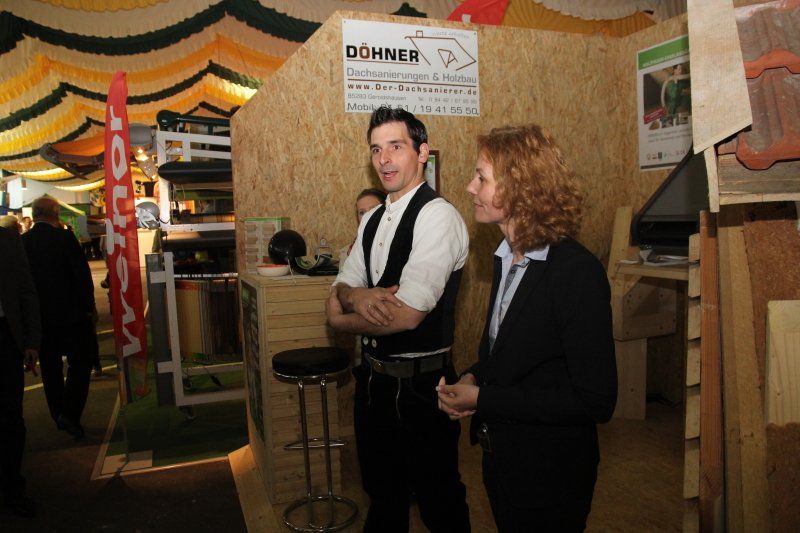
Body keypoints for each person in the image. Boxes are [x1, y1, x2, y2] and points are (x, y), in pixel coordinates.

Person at [437, 125, 617, 532]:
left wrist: (484, 398)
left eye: (482, 177)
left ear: (520, 187)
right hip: (504, 463)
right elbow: (511, 356)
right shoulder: (506, 258)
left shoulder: (576, 273)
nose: (470, 187)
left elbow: (595, 400)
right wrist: (473, 377)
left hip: (550, 474)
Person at [326, 106, 470, 532]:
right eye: (376, 149)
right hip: (374, 383)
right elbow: (337, 292)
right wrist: (355, 295)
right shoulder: (371, 219)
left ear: (422, 152)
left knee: (439, 501)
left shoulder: (438, 216)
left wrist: (343, 319)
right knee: (383, 497)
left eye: (396, 146)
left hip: (423, 388)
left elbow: (406, 316)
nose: (384, 159)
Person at [22, 197, 97, 440]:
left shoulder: (23, 242)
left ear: (35, 215)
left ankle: (59, 414)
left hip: (40, 319)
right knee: (81, 362)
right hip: (71, 315)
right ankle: (70, 412)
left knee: (50, 368)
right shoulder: (65, 238)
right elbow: (81, 275)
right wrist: (89, 307)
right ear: (55, 214)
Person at [0, 226, 41, 517]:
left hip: (5, 339)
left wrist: (32, 341)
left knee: (11, 419)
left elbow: (27, 291)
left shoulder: (8, 240)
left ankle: (13, 489)